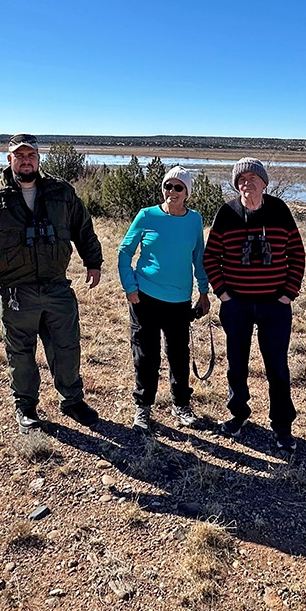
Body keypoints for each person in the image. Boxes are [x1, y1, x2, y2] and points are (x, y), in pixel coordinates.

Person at [0, 133, 103, 434]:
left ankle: (72, 400)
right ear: (9, 160)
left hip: (57, 286)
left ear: (39, 158)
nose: (25, 161)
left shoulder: (62, 193)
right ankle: (26, 406)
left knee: (67, 347)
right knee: (20, 353)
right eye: (19, 156)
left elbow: (83, 228)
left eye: (31, 155)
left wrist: (93, 262)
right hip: (15, 292)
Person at [203, 157, 306, 451]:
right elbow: (211, 257)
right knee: (237, 364)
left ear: (264, 183)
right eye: (241, 180)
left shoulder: (279, 211)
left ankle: (282, 426)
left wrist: (288, 293)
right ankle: (238, 414)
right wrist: (223, 293)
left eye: (253, 178)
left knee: (277, 366)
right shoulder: (226, 213)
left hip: (275, 304)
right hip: (237, 304)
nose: (247, 184)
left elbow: (297, 254)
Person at [117, 166, 210, 433]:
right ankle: (143, 407)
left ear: (187, 192)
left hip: (180, 301)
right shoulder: (147, 216)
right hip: (144, 296)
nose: (172, 192)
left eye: (178, 187)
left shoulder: (194, 220)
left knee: (179, 355)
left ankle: (181, 405)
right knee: (146, 355)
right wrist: (129, 286)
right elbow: (125, 252)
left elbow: (199, 259)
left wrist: (204, 293)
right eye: (168, 186)